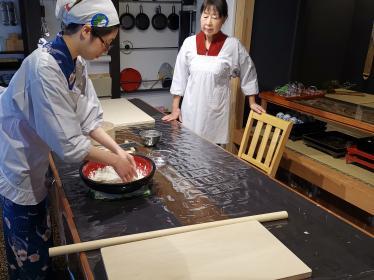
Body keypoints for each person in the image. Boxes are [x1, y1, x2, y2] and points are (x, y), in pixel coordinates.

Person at [0, 0, 137, 278]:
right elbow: (69, 145)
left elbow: (87, 118)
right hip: (17, 158)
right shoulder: (44, 68)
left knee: (42, 230)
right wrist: (113, 160)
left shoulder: (76, 62)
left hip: (35, 150)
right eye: (106, 42)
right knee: (27, 246)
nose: (106, 50)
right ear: (86, 31)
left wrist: (118, 152)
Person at [162, 0, 265, 145]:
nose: (208, 22)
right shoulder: (189, 43)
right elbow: (180, 76)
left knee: (211, 156)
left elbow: (248, 70)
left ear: (223, 19)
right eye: (205, 16)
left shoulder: (232, 45)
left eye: (215, 17)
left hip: (215, 112)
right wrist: (175, 109)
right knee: (188, 150)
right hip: (191, 109)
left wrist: (252, 101)